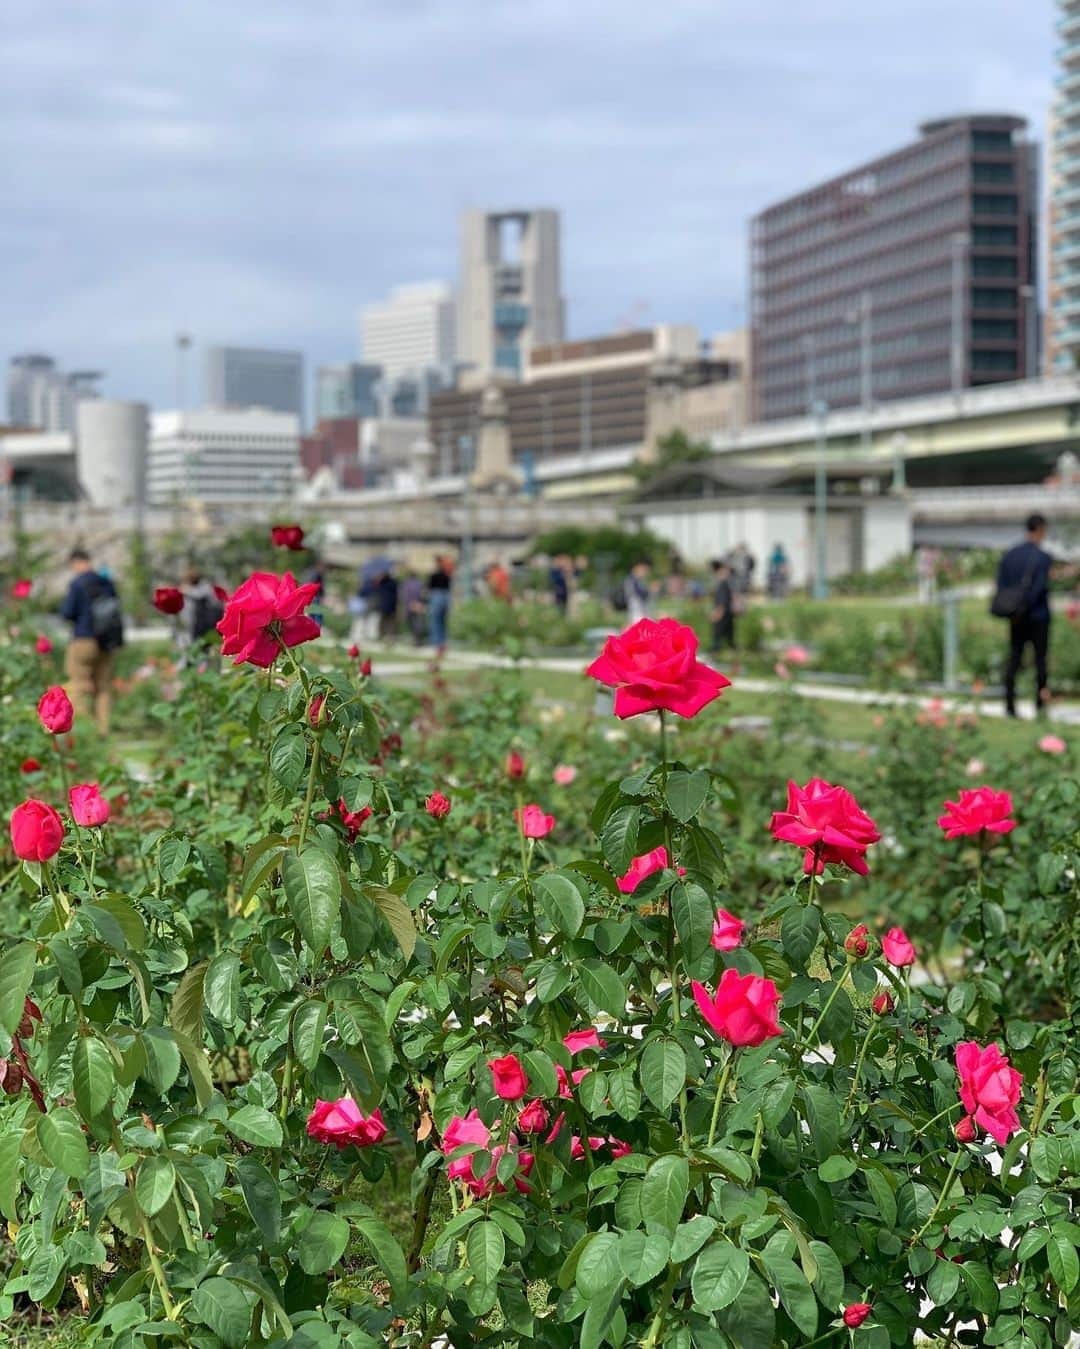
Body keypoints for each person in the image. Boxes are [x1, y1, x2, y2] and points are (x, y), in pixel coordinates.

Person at [59, 548, 124, 734]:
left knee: (78, 684)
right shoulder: (107, 582)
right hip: (106, 640)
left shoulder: (77, 583)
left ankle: (84, 729)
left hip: (83, 639)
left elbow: (67, 612)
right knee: (103, 686)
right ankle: (103, 729)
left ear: (76, 562)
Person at [996, 514, 1053, 719]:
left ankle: (1010, 705)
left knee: (1014, 659)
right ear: (1040, 530)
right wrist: (1026, 605)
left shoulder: (1009, 555)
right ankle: (1040, 705)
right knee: (1040, 661)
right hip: (1037, 616)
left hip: (1015, 617)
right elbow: (1038, 588)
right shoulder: (1042, 557)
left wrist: (1014, 610)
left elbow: (1001, 585)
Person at [180, 566, 224, 657]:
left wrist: (187, 591)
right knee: (197, 646)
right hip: (196, 624)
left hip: (207, 624)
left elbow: (200, 596)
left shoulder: (204, 587)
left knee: (207, 646)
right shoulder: (190, 590)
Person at [427, 556, 453, 652]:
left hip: (437, 597)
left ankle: (437, 643)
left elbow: (429, 587)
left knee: (435, 621)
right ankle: (442, 643)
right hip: (445, 597)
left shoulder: (435, 574)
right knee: (442, 621)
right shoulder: (446, 574)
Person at [710, 559, 735, 652]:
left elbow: (722, 601)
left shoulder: (723, 585)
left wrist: (718, 613)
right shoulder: (723, 584)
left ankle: (716, 649)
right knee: (728, 635)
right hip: (727, 613)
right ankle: (729, 648)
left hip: (723, 613)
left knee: (718, 634)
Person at [402, 570, 427, 645]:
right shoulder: (421, 583)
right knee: (419, 623)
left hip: (410, 605)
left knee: (412, 624)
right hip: (418, 605)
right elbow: (424, 594)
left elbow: (404, 595)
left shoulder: (406, 583)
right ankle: (418, 641)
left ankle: (416, 640)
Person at [375, 569, 399, 642]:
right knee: (388, 622)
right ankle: (387, 636)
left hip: (386, 606)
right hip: (390, 606)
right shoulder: (392, 583)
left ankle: (384, 636)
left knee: (385, 622)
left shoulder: (383, 584)